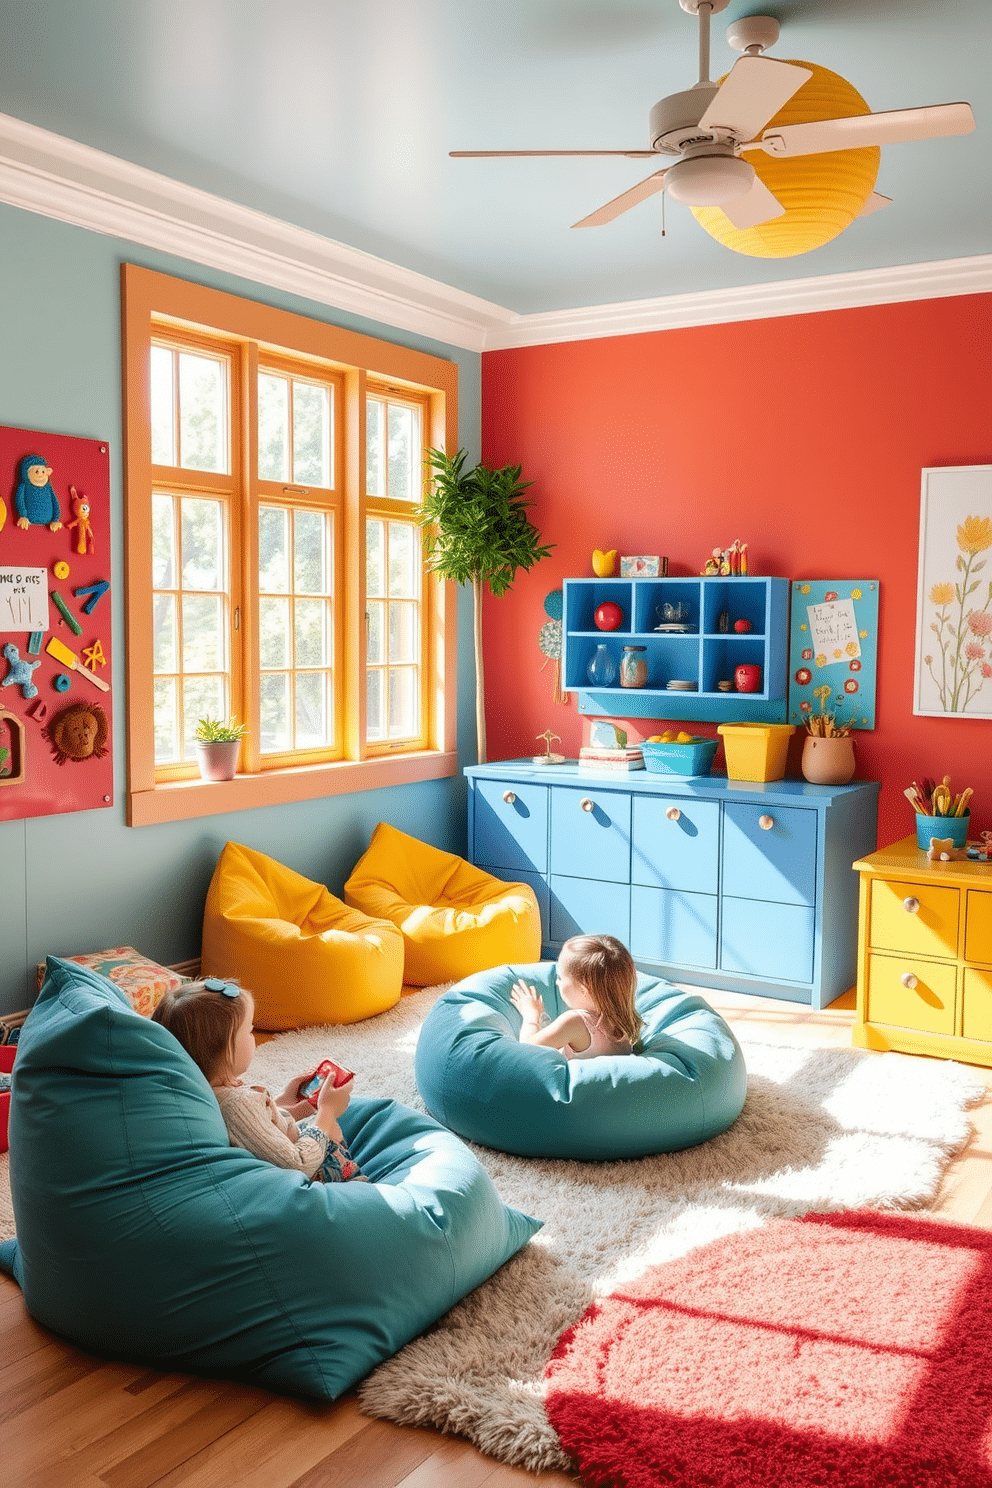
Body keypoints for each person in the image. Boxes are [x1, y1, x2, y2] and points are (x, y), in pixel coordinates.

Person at [152, 977, 365, 1182]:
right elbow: (298, 1164)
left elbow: (256, 1132)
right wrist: (327, 1113)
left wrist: (287, 1104)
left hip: (294, 1153)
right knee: (332, 1126)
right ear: (224, 1049)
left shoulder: (207, 1090)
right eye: (250, 1031)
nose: (253, 1038)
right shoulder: (237, 1104)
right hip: (319, 1180)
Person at [510, 934, 642, 1059]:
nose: (557, 982)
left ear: (584, 990)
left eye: (560, 977)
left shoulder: (575, 1022)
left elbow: (526, 1051)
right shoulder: (627, 1020)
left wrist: (531, 1014)